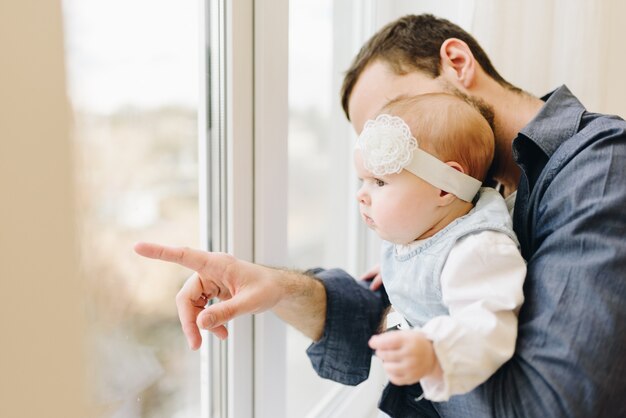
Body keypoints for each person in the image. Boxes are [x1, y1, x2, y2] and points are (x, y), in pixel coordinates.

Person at [135, 13, 626, 417]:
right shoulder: (463, 207)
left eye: (394, 130)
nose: (382, 158)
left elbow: (546, 407)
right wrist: (276, 287)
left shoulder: (603, 168)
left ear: (455, 62)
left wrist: (406, 330)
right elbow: (391, 307)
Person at [353, 93, 526, 402]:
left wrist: (434, 352)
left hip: (458, 391)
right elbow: (427, 257)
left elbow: (488, 327)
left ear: (444, 188)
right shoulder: (422, 230)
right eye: (362, 181)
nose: (361, 195)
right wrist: (402, 264)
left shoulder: (476, 251)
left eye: (379, 182)